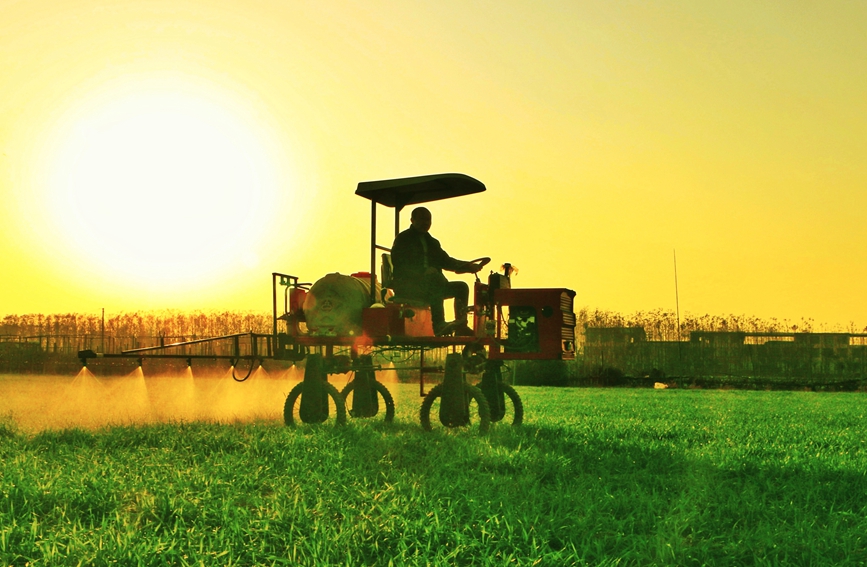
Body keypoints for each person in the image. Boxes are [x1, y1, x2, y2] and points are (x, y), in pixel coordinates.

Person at [390, 206, 487, 336]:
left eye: (428, 220)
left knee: (461, 287)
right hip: (410, 286)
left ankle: (461, 325)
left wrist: (468, 266)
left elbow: (446, 261)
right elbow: (400, 264)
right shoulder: (403, 239)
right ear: (412, 220)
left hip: (432, 285)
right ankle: (439, 324)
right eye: (422, 219)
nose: (425, 223)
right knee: (435, 279)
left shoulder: (432, 243)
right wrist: (422, 272)